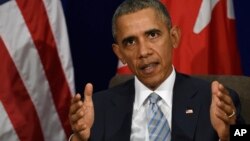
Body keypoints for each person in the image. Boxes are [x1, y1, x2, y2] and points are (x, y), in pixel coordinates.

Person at [68, 0, 245, 141]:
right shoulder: (99, 108)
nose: (143, 51)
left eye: (152, 35)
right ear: (120, 53)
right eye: (130, 42)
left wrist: (230, 135)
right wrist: (78, 140)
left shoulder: (214, 100)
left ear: (173, 37)